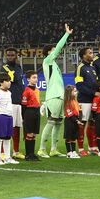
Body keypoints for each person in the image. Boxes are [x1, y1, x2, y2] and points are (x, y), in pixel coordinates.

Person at [39, 24, 71, 157]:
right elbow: (59, 48)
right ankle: (41, 149)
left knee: (58, 122)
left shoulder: (54, 65)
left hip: (60, 96)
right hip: (53, 96)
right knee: (51, 121)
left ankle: (53, 149)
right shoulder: (47, 61)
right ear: (48, 52)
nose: (56, 51)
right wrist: (66, 34)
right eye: (53, 50)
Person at [74, 46, 98, 155]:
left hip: (94, 100)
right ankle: (80, 149)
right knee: (82, 124)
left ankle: (92, 147)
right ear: (84, 55)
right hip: (84, 101)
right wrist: (93, 93)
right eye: (90, 52)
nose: (92, 54)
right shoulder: (80, 68)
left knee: (92, 123)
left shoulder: (92, 68)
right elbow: (79, 86)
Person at [2, 48, 26, 159]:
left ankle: (15, 151)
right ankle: (3, 152)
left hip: (19, 102)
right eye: (8, 55)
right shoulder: (4, 68)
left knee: (17, 127)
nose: (10, 57)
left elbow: (21, 83)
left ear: (16, 55)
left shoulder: (19, 68)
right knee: (8, 127)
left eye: (12, 55)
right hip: (9, 102)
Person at [0, 73, 18, 165]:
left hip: (9, 116)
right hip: (1, 116)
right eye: (7, 81)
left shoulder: (9, 93)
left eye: (9, 80)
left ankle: (7, 157)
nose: (9, 82)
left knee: (7, 137)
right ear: (1, 83)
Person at [21, 69, 41, 161]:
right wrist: (24, 117)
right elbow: (24, 105)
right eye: (33, 77)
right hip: (29, 112)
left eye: (36, 77)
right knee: (29, 134)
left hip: (36, 112)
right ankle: (28, 154)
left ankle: (32, 154)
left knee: (34, 134)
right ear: (28, 79)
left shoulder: (37, 90)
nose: (36, 79)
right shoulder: (27, 91)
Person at [63, 85, 82, 159]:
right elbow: (70, 114)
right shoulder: (67, 102)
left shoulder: (75, 101)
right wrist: (77, 121)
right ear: (69, 93)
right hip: (70, 121)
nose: (76, 92)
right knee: (69, 137)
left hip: (75, 120)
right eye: (74, 91)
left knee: (74, 137)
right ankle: (69, 152)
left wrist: (79, 119)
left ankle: (73, 151)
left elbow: (79, 111)